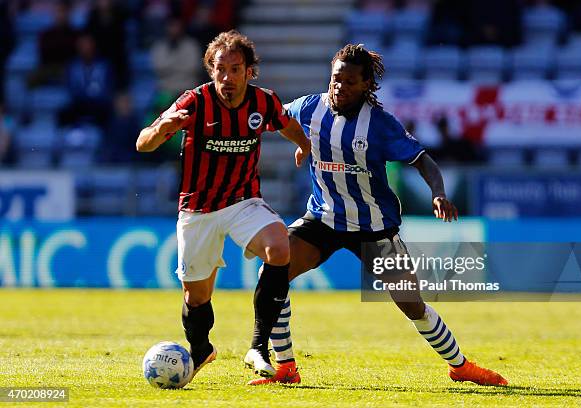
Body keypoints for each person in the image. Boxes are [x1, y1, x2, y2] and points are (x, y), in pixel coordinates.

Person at [247, 44, 508, 387]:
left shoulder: (380, 125)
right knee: (274, 274)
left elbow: (422, 160)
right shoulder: (309, 107)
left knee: (412, 305)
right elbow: (273, 117)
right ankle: (285, 367)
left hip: (374, 229)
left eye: (351, 81)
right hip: (323, 220)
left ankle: (460, 366)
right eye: (336, 78)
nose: (340, 86)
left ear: (367, 84)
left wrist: (439, 192)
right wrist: (300, 141)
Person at [135, 30, 311, 384]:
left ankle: (258, 346)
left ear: (249, 71)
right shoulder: (193, 102)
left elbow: (288, 124)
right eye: (220, 70)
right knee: (196, 298)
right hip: (198, 210)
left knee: (279, 247)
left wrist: (305, 146)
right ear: (210, 70)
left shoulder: (263, 103)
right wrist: (161, 130)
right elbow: (143, 144)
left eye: (235, 69)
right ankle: (201, 349)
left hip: (243, 201)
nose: (227, 78)